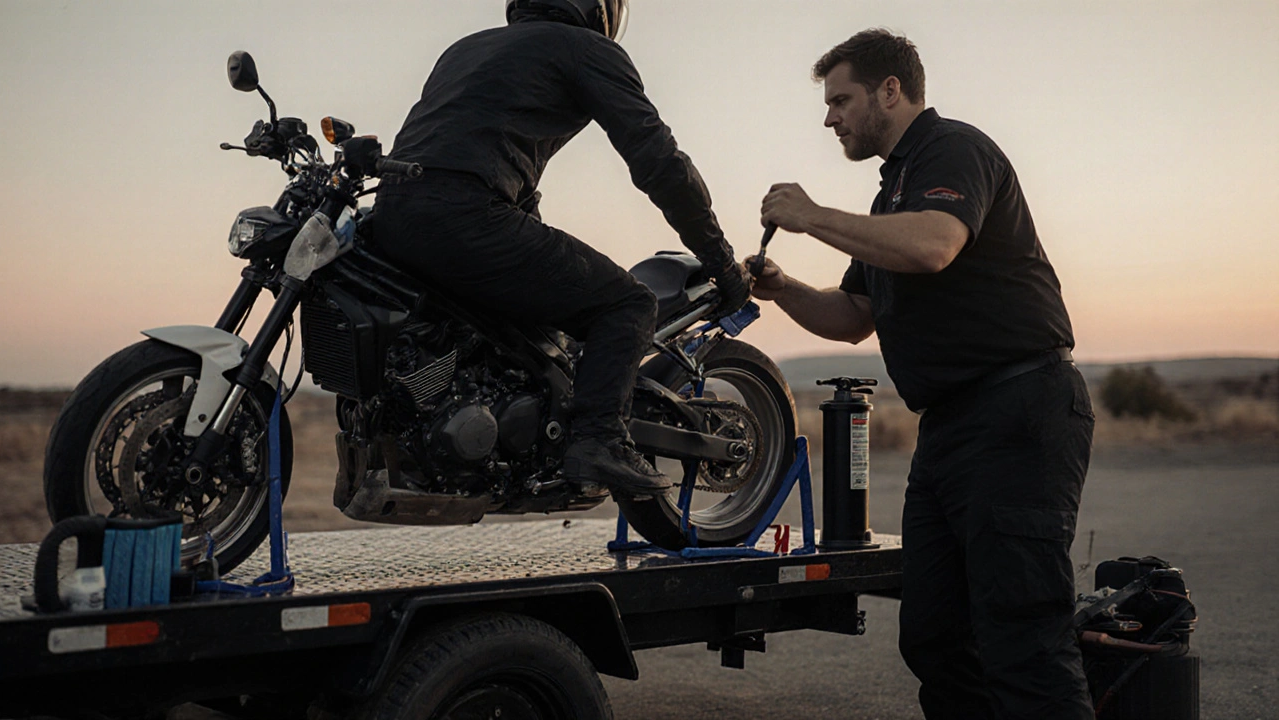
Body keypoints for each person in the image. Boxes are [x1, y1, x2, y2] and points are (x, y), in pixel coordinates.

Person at [748, 29, 1095, 720]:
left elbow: (937, 245)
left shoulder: (953, 150)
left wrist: (811, 215)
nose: (829, 117)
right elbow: (852, 317)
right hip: (950, 430)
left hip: (1018, 409)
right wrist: (781, 286)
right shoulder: (886, 202)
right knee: (935, 637)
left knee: (1022, 636)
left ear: (891, 90)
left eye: (840, 99)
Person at [374, 0, 751, 497]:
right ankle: (599, 439)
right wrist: (721, 259)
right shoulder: (585, 48)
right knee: (628, 302)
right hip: (467, 215)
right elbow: (659, 161)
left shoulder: (465, 49)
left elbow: (476, 147)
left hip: (392, 212)